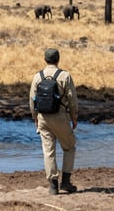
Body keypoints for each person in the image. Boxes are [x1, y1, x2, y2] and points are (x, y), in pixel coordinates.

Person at [29, 47, 79, 195]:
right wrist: (74, 118)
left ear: (45, 60)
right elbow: (73, 101)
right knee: (69, 148)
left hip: (43, 118)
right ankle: (66, 182)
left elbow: (32, 101)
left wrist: (36, 119)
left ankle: (52, 185)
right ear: (58, 59)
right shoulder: (65, 76)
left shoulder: (37, 76)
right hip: (61, 118)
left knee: (48, 152)